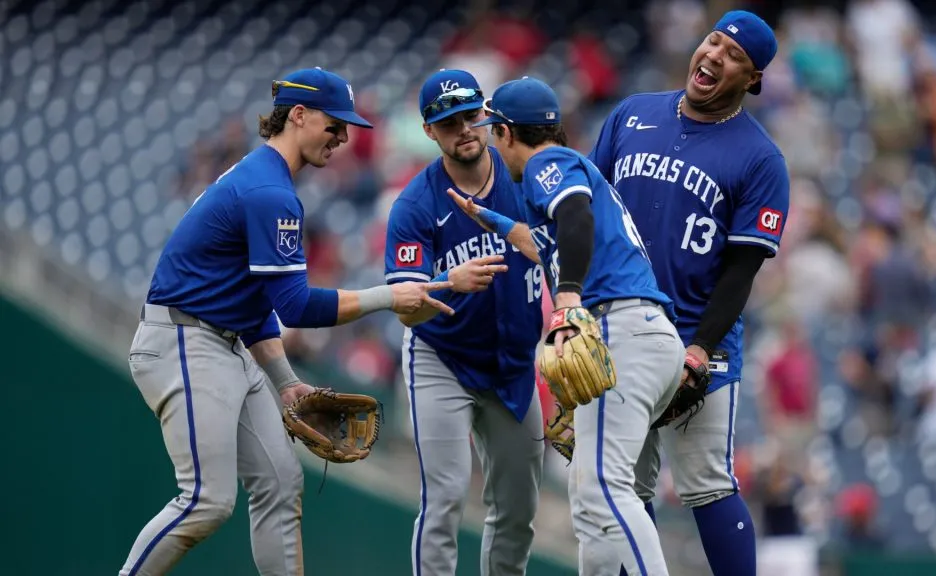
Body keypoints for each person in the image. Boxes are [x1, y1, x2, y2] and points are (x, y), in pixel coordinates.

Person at [120, 67, 454, 576]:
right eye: (334, 123)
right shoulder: (268, 191)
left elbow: (252, 302)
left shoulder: (264, 179)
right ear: (297, 115)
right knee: (206, 501)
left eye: (348, 127)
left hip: (222, 341)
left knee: (280, 482)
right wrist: (388, 296)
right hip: (184, 342)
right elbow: (294, 307)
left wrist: (286, 382)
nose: (343, 136)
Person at [452, 76, 687, 576]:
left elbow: (575, 218)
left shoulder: (547, 162)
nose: (493, 141)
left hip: (621, 328)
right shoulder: (565, 170)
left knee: (604, 486)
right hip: (642, 333)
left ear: (509, 133)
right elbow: (550, 240)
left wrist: (566, 298)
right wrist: (491, 219)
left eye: (495, 131)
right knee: (591, 495)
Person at [587, 11, 790, 575]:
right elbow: (588, 215)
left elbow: (742, 269)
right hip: (619, 326)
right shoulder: (632, 114)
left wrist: (699, 348)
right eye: (713, 42)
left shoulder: (761, 158)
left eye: (734, 57)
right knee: (625, 483)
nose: (715, 57)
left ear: (752, 81)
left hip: (701, 337)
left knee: (705, 482)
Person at [384, 69, 546, 576]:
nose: (465, 130)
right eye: (449, 122)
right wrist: (447, 281)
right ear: (430, 131)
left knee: (519, 512)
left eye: (472, 116)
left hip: (514, 365)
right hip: (443, 358)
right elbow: (405, 305)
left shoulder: (526, 178)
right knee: (446, 499)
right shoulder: (415, 205)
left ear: (488, 114)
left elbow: (574, 247)